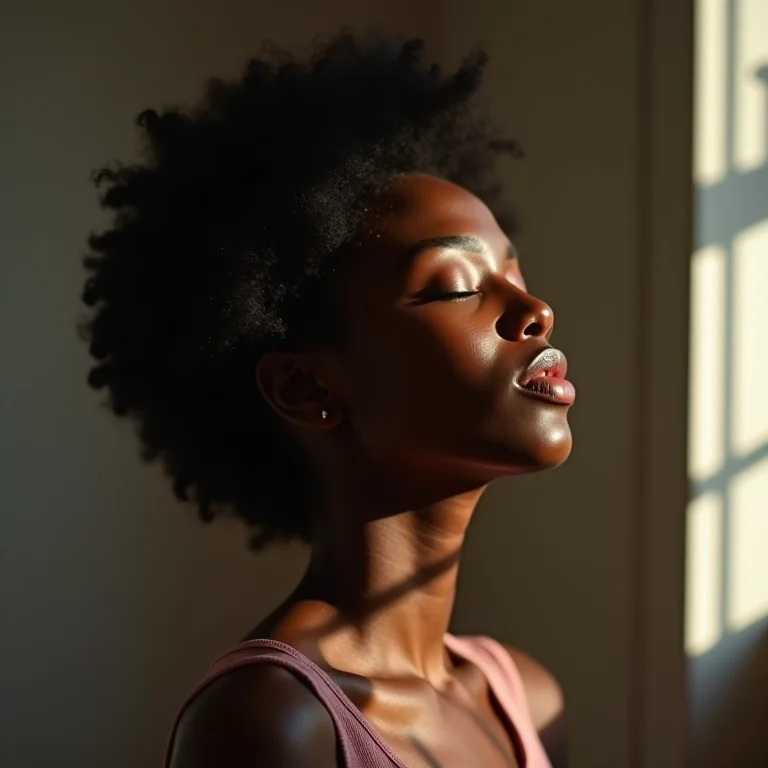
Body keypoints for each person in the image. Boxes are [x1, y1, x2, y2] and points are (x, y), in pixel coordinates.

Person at [81, 30, 572, 768]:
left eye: (515, 270)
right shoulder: (272, 725)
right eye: (455, 285)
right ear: (307, 386)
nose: (534, 308)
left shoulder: (525, 701)